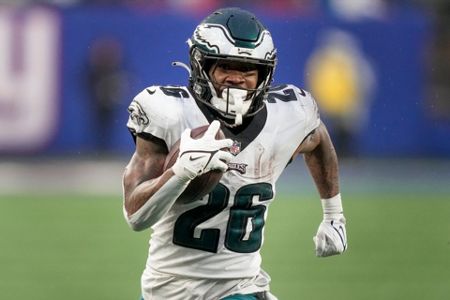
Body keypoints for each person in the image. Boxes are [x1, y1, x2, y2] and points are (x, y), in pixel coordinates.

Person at [122, 7, 347, 300]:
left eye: (247, 69)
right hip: (169, 290)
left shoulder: (288, 114)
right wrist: (178, 174)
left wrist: (334, 215)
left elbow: (318, 140)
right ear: (202, 66)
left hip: (240, 287)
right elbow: (135, 216)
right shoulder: (170, 113)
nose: (236, 78)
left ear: (264, 74)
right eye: (225, 66)